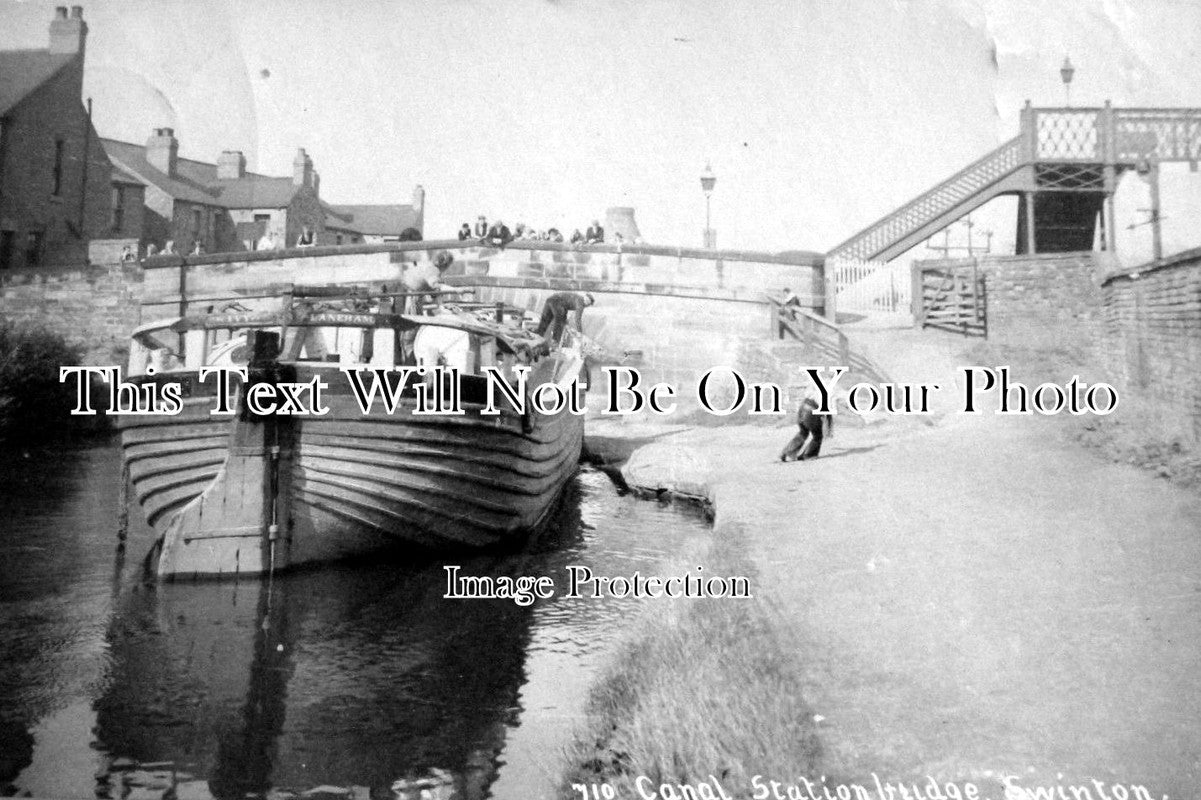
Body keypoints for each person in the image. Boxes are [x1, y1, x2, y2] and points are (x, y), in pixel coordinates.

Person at [779, 395, 833, 462]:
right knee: (818, 436)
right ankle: (809, 455)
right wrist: (829, 429)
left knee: (803, 433)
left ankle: (786, 451)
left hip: (802, 407)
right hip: (812, 410)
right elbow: (829, 413)